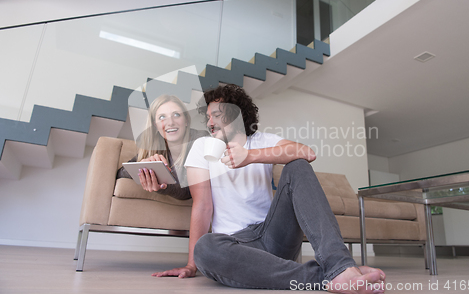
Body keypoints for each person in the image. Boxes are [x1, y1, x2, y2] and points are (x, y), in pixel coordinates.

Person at [154, 85, 385, 294]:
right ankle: (334, 275)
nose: (209, 122)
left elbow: (308, 153)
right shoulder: (202, 147)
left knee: (297, 165)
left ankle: (338, 263)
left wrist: (250, 156)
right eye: (207, 117)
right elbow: (202, 206)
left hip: (273, 235)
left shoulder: (263, 140)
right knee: (206, 248)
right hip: (235, 246)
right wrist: (191, 265)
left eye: (216, 114)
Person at [117, 94, 208, 200]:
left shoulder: (200, 139)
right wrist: (143, 166)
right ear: (155, 125)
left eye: (176, 115)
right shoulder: (157, 146)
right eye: (162, 117)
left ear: (186, 120)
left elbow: (189, 191)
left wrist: (162, 185)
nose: (170, 122)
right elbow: (121, 173)